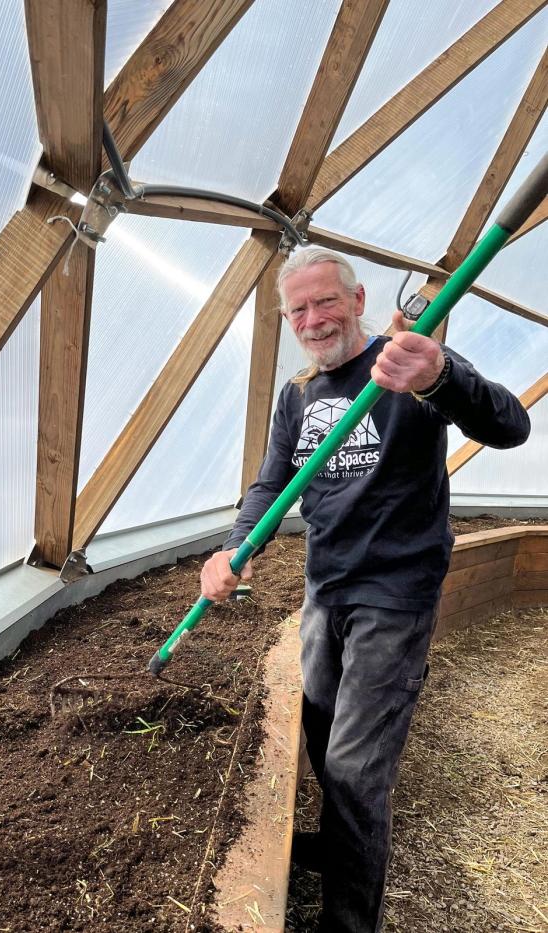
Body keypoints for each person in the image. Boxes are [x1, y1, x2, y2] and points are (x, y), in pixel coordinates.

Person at [199, 247, 530, 933]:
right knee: (322, 734)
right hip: (327, 587)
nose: (314, 319)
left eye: (326, 301)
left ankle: (351, 920)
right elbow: (270, 481)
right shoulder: (298, 393)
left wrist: (440, 374)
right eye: (299, 309)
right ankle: (344, 841)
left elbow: (508, 425)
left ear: (356, 301)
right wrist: (238, 543)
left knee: (355, 764)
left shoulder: (406, 361)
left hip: (396, 593)